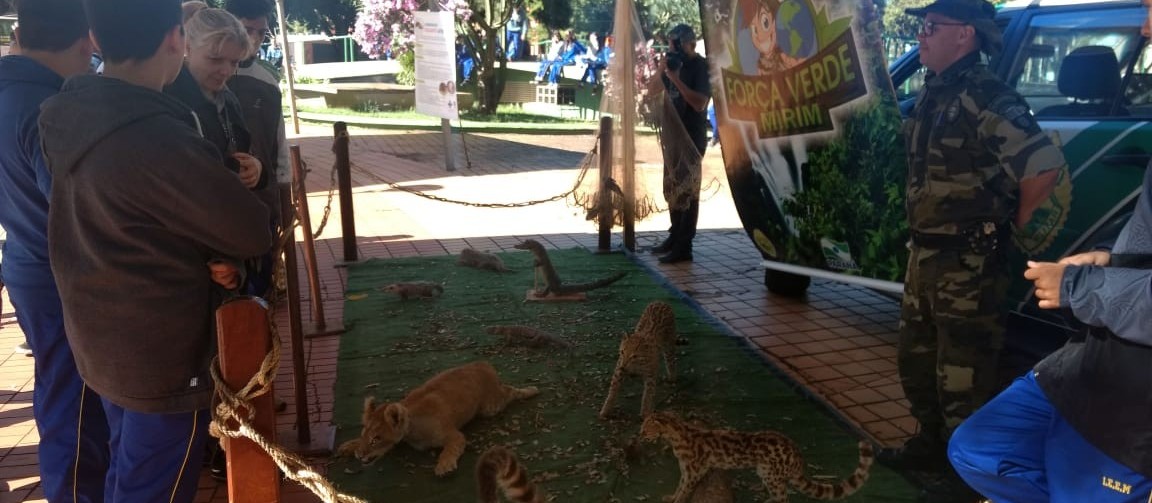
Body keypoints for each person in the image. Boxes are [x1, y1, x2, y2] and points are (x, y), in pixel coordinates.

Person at [38, 0, 272, 501]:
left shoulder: (66, 114)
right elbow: (252, 229)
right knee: (154, 485)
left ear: (96, 41)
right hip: (161, 356)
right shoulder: (156, 134)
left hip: (101, 339)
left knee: (129, 472)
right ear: (176, 40)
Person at [884, 0, 1066, 501]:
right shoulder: (936, 91)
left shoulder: (986, 94)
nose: (921, 35)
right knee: (916, 362)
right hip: (925, 257)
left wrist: (1010, 221)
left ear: (964, 34)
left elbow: (1043, 165)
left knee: (963, 374)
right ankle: (929, 443)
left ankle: (967, 474)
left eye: (930, 27)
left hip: (968, 263)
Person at [0, 1, 109, 500]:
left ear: (20, 32)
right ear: (88, 43)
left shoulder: (10, 92)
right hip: (61, 272)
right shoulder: (47, 110)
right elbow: (73, 212)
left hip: (25, 260)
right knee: (76, 396)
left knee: (60, 387)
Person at [226, 0, 290, 298]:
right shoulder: (196, 77)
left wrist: (281, 196)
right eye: (245, 29)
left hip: (260, 203)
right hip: (215, 206)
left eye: (260, 33)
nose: (253, 39)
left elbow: (278, 145)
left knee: (257, 296)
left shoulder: (267, 83)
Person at [647, 24, 711, 264]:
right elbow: (651, 91)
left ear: (689, 44)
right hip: (671, 136)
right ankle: (674, 236)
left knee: (688, 191)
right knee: (671, 188)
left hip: (691, 137)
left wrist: (675, 79)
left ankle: (685, 245)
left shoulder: (700, 67)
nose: (673, 49)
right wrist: (662, 70)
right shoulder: (672, 65)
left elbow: (700, 103)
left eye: (677, 44)